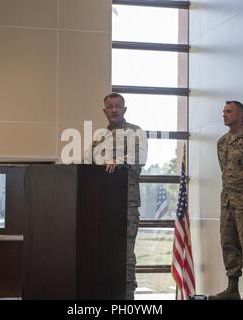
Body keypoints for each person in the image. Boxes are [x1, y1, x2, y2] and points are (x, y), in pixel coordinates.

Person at [84, 92, 147, 299]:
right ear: (104, 111)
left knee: (126, 254)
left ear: (124, 109)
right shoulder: (99, 137)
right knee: (102, 253)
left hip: (126, 204)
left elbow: (139, 158)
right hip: (102, 206)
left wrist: (118, 161)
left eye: (118, 106)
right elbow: (88, 162)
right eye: (110, 107)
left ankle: (128, 296)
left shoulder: (135, 132)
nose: (114, 110)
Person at [209, 101, 243, 300]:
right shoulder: (222, 142)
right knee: (228, 243)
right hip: (228, 203)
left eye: (228, 111)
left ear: (240, 114)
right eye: (223, 111)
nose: (224, 114)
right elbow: (225, 172)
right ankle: (232, 288)